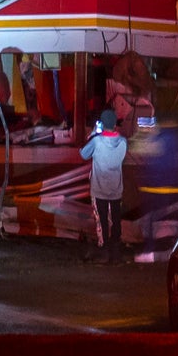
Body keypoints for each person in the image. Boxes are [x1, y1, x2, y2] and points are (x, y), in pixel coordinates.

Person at [79, 108, 128, 263]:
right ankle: (115, 250)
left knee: (102, 221)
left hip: (99, 189)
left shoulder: (96, 141)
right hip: (116, 188)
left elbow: (83, 154)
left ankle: (104, 249)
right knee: (115, 219)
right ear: (115, 124)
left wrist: (94, 133)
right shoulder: (123, 142)